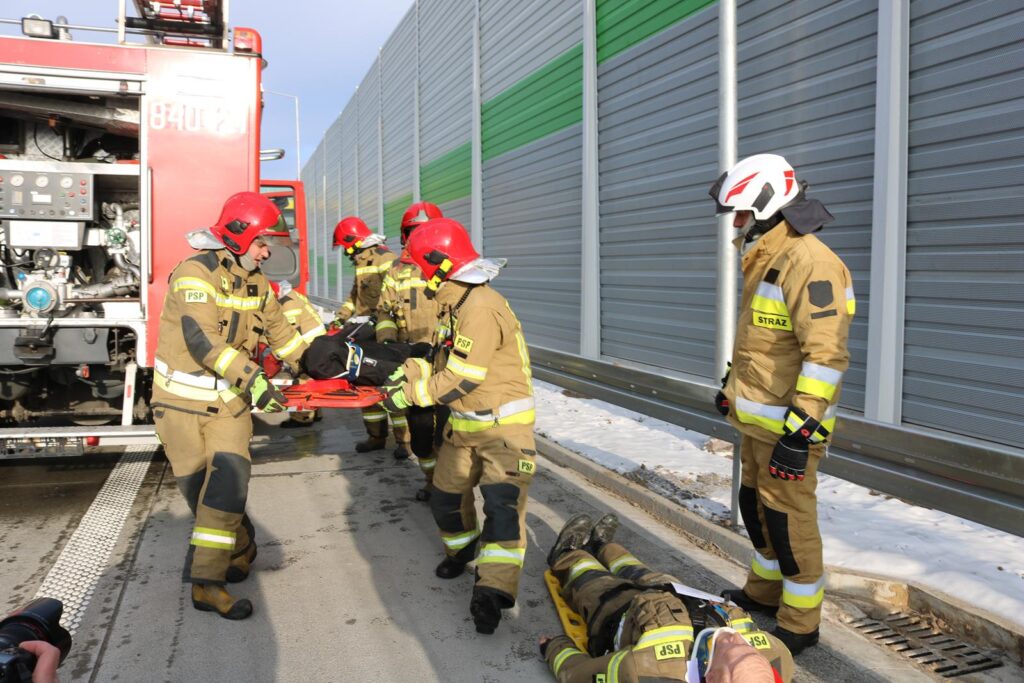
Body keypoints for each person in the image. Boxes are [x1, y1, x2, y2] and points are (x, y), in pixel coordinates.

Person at [708, 154, 854, 654]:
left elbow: (825, 356)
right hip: (759, 424)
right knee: (756, 510)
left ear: (767, 207)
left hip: (789, 430)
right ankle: (763, 594)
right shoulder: (770, 256)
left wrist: (801, 431)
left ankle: (800, 622)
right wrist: (732, 389)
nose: (736, 223)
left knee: (789, 525)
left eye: (741, 213)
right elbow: (764, 344)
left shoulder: (810, 263)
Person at [151, 191, 307, 620]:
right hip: (179, 405)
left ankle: (207, 586)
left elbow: (283, 336)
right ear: (238, 236)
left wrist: (319, 366)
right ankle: (241, 548)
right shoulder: (194, 274)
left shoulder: (258, 284)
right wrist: (255, 380)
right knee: (199, 497)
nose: (266, 251)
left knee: (225, 491)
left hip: (228, 405)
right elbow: (202, 341)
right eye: (261, 242)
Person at [380, 218, 535, 634]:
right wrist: (407, 371)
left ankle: (492, 592)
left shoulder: (480, 308)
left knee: (502, 510)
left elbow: (463, 378)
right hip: (464, 427)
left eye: (421, 267)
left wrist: (409, 396)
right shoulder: (455, 303)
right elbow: (441, 360)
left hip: (504, 431)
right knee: (446, 499)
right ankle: (462, 553)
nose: (417, 275)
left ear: (439, 265)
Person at [540, 513, 793, 683]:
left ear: (712, 677)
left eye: (729, 649)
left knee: (593, 582)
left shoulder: (650, 671)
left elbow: (582, 675)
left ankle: (567, 555)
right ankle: (604, 547)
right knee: (636, 568)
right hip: (681, 599)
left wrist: (554, 648)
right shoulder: (778, 657)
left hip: (622, 613)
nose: (733, 636)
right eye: (749, 648)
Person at [375, 201, 445, 498]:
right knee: (421, 430)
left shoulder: (448, 266)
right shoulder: (396, 271)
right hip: (413, 362)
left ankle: (451, 486)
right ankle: (432, 481)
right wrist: (389, 342)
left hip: (446, 361)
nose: (419, 236)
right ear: (405, 235)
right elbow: (384, 311)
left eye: (425, 230)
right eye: (413, 231)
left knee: (449, 430)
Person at [332, 216, 397, 453]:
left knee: (390, 383)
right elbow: (354, 297)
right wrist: (341, 317)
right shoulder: (362, 261)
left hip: (382, 331)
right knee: (364, 382)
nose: (345, 252)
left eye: (345, 246)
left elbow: (394, 294)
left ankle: (404, 442)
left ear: (353, 241)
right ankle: (376, 437)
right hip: (364, 332)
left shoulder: (385, 259)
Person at [270, 279, 326, 427]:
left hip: (308, 345)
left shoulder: (288, 303)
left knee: (302, 378)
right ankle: (316, 413)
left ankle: (302, 418)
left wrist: (277, 354)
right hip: (316, 343)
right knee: (312, 379)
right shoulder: (292, 295)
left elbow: (289, 332)